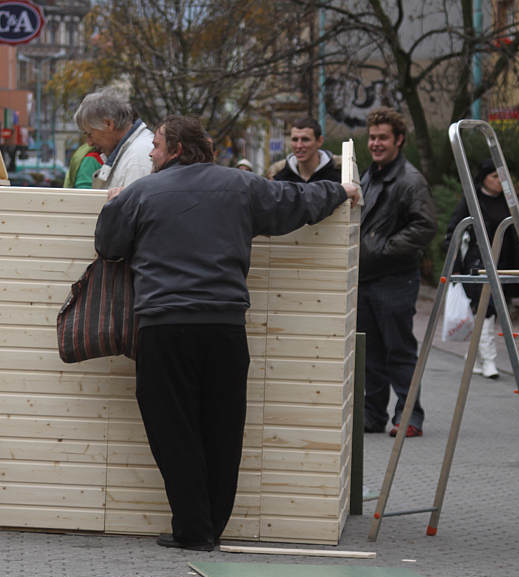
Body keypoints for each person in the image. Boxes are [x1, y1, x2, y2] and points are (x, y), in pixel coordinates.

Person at [94, 115, 359, 551]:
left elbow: (108, 245)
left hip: (165, 327)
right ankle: (211, 524)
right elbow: (295, 201)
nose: (150, 153)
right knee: (222, 427)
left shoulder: (142, 193)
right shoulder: (242, 187)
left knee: (172, 428)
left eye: (157, 145)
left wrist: (114, 202)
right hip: (224, 326)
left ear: (177, 149)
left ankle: (195, 529)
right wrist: (341, 191)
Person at [359, 107, 437, 438]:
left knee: (399, 350)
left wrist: (383, 249)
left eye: (383, 137)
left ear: (399, 140)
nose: (376, 143)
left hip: (394, 278)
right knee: (371, 353)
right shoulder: (369, 175)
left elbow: (425, 226)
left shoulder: (409, 180)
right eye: (373, 137)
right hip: (366, 278)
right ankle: (373, 416)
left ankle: (409, 416)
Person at [443, 159, 519, 379]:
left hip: (504, 265)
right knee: (487, 310)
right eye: (494, 176)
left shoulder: (508, 202)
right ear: (483, 178)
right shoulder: (471, 201)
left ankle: (474, 357)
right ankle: (489, 360)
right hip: (477, 265)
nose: (499, 181)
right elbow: (453, 230)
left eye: (501, 177)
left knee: (491, 310)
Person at [73, 87, 154, 191]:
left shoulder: (138, 159)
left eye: (90, 134)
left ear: (108, 124)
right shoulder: (133, 154)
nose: (89, 143)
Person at [269, 117, 341, 183]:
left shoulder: (339, 176)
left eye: (305, 139)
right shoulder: (280, 179)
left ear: (319, 141)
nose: (299, 145)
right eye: (295, 140)